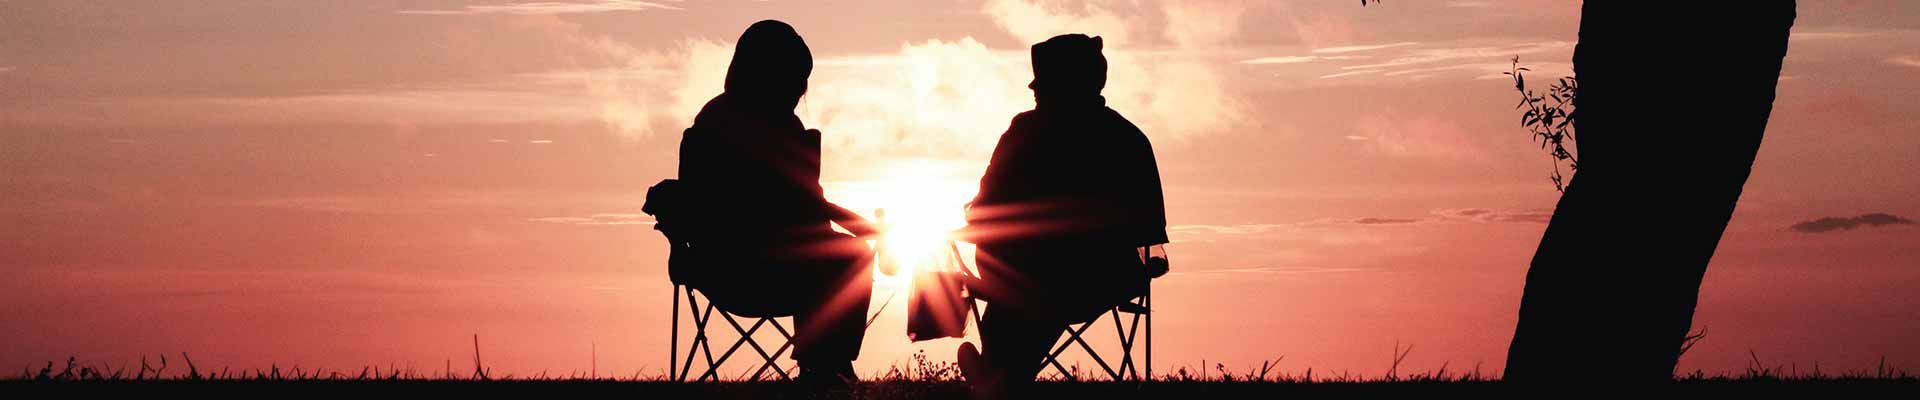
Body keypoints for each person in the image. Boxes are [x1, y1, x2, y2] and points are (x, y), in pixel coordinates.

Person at [955, 33, 1169, 394]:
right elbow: (1150, 232)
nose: (1034, 94)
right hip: (1103, 279)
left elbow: (983, 211)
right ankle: (1000, 376)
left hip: (1027, 278)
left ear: (1059, 86)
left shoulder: (1024, 133)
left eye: (1041, 87)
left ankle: (1000, 377)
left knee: (1029, 287)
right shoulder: (1128, 139)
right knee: (1038, 287)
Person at [669, 19, 880, 384]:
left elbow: (809, 207)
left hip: (716, 266)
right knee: (853, 256)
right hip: (754, 268)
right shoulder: (753, 127)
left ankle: (825, 364)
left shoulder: (714, 119)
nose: (801, 89)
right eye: (797, 77)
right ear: (772, 74)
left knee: (841, 255)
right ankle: (826, 365)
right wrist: (869, 230)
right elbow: (806, 207)